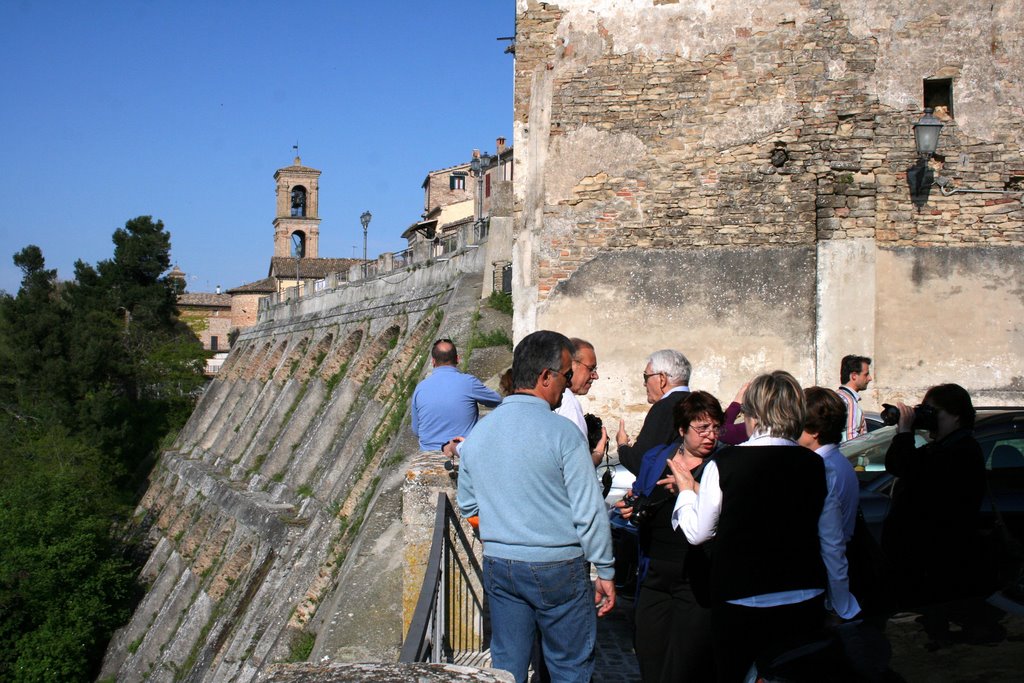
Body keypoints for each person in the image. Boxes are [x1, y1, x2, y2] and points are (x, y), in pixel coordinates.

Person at [669, 371, 858, 683]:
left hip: (740, 599)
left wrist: (686, 492)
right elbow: (832, 545)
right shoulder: (816, 466)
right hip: (802, 597)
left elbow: (698, 532)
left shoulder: (724, 462)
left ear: (752, 413)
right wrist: (840, 603)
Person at [457, 330, 615, 683]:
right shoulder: (562, 433)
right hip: (557, 565)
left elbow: (467, 502)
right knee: (569, 665)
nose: (568, 383)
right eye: (565, 374)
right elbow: (588, 512)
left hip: (501, 564)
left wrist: (499, 533)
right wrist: (605, 570)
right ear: (545, 377)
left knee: (507, 665)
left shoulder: (480, 432)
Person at [881, 384, 997, 643]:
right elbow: (896, 465)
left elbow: (911, 470)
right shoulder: (940, 449)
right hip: (924, 564)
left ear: (956, 415)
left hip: (939, 566)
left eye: (934, 411)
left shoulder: (962, 451)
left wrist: (905, 432)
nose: (929, 417)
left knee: (937, 633)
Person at [626, 391, 721, 682]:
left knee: (685, 663)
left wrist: (689, 488)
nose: (711, 436)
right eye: (702, 428)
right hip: (654, 572)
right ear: (682, 430)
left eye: (716, 427)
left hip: (695, 578)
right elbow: (641, 496)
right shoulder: (657, 458)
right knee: (648, 652)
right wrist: (634, 507)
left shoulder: (721, 464)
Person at [798, 387, 861, 618]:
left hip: (827, 581)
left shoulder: (825, 468)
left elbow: (833, 545)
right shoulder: (834, 461)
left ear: (814, 431)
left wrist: (840, 604)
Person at [410, 339, 501, 451]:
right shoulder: (468, 383)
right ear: (457, 359)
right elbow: (497, 401)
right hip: (460, 453)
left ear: (433, 362)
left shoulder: (420, 388)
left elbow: (416, 430)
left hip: (428, 456)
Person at [616, 349, 691, 474]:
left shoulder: (664, 407)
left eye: (646, 377)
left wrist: (622, 445)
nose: (644, 384)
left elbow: (640, 462)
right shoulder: (699, 403)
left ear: (662, 378)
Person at [555, 338, 608, 465]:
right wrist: (598, 453)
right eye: (591, 368)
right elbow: (579, 467)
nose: (595, 376)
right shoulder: (567, 401)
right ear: (571, 364)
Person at [837, 355, 872, 442]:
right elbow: (851, 439)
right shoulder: (849, 401)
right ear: (854, 376)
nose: (870, 378)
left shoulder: (836, 396)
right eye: (866, 374)